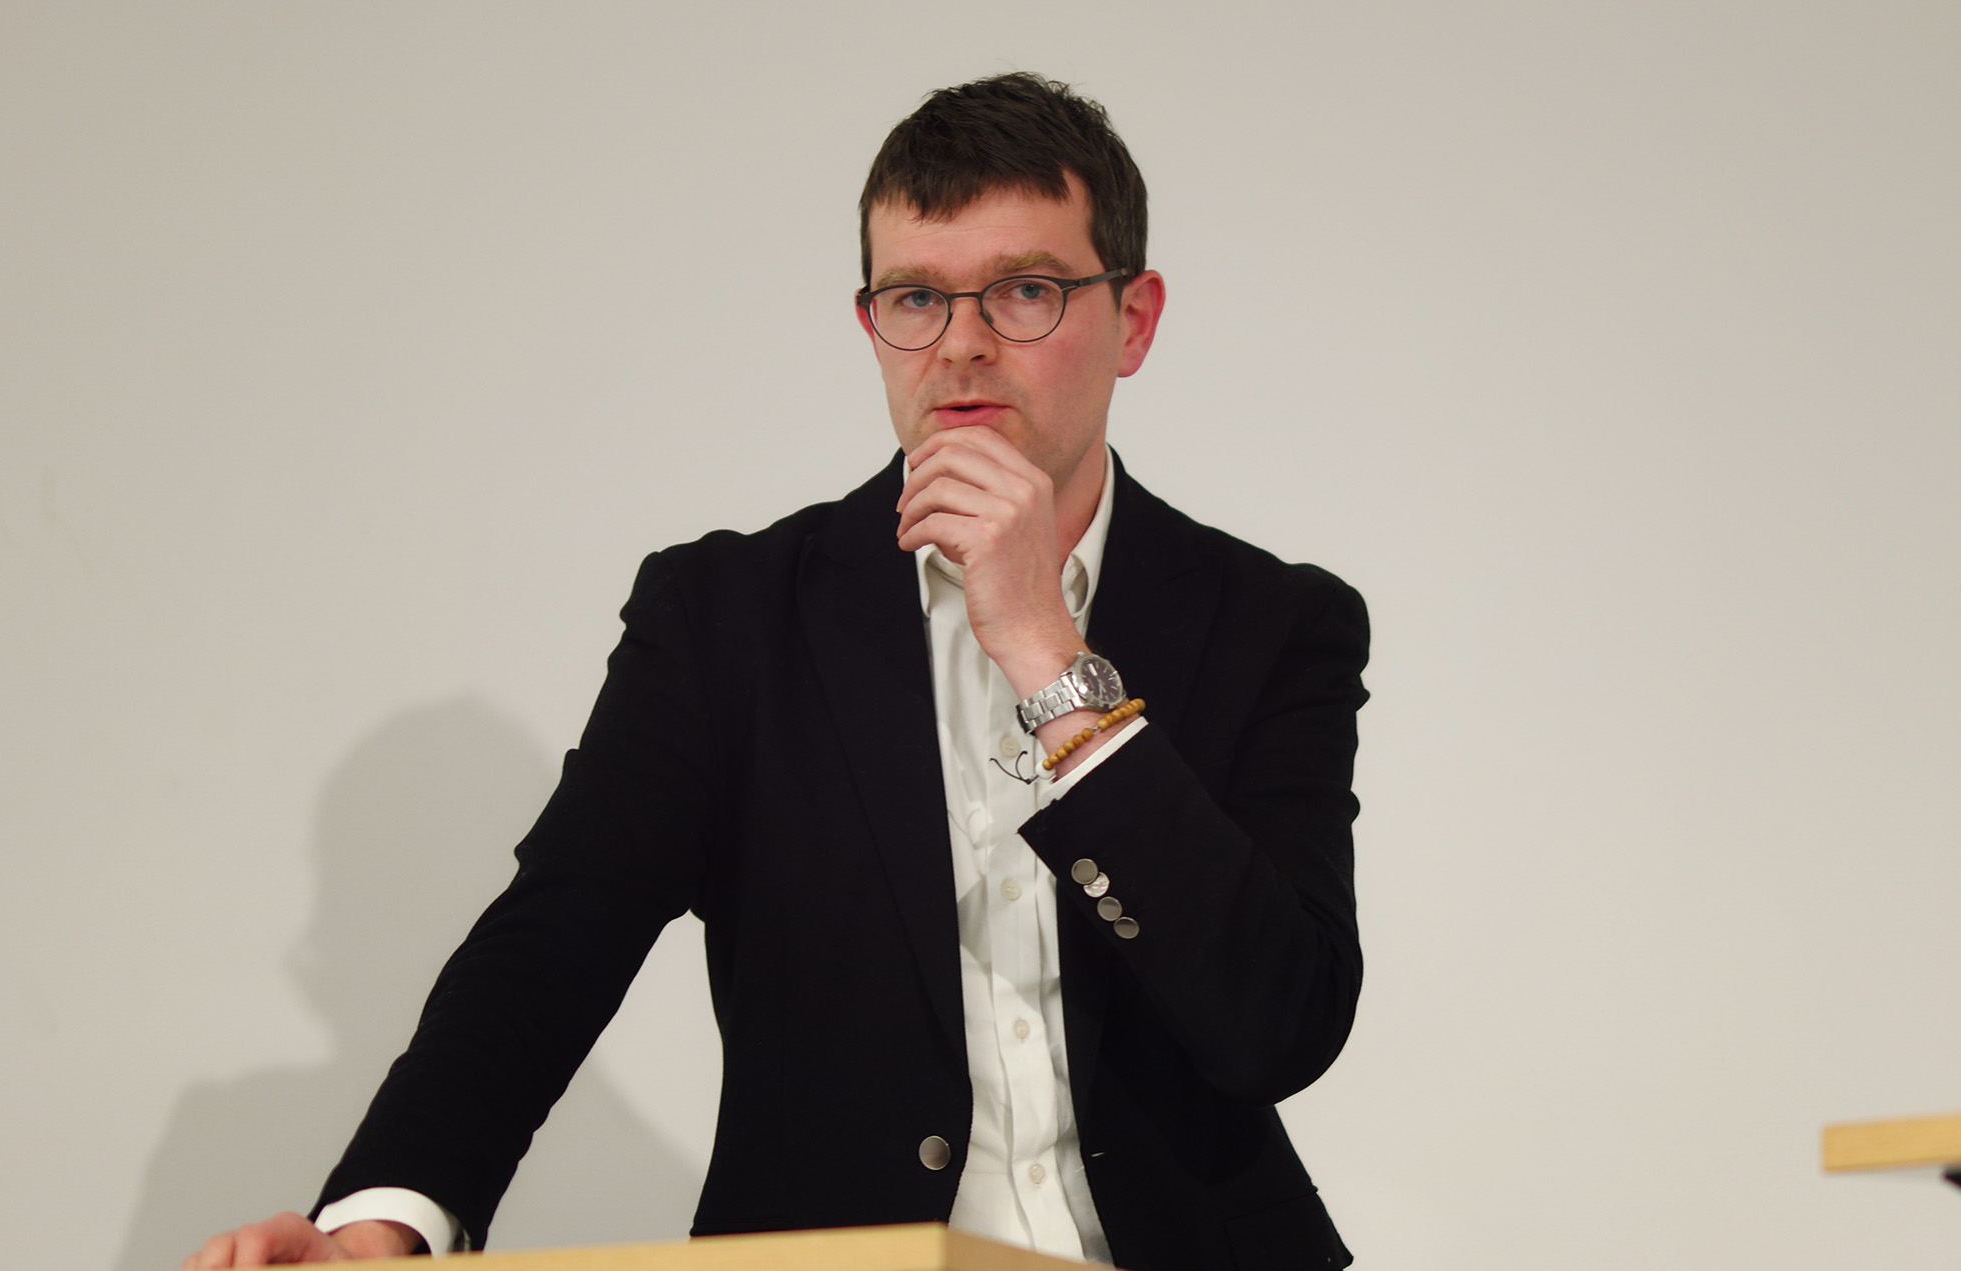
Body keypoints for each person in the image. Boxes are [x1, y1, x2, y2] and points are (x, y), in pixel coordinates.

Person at [185, 72, 1369, 1271]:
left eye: (1025, 290)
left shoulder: (1277, 622)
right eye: (916, 296)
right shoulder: (727, 618)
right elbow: (550, 944)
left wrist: (1042, 648)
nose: (960, 343)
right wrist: (375, 1229)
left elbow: (1279, 1024)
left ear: (1134, 318)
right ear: (872, 324)